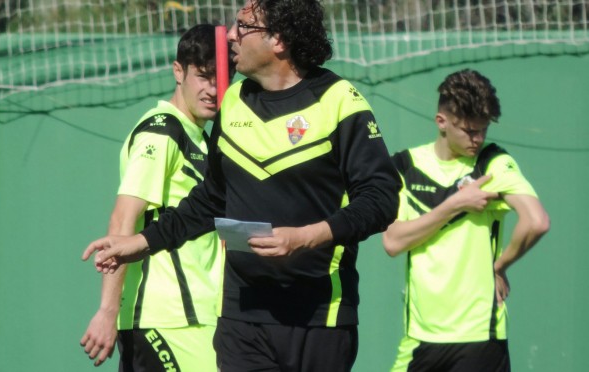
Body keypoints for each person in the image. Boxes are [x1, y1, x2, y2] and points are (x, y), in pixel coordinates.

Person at [83, 1, 402, 371]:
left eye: (243, 26)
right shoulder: (233, 102)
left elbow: (381, 199)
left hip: (322, 316)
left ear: (278, 40)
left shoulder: (340, 101)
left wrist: (304, 238)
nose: (230, 35)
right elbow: (210, 200)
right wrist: (141, 242)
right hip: (242, 317)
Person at [80, 24, 234, 372]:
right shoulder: (161, 131)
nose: (212, 89)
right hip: (162, 319)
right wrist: (107, 311)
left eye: (220, 78)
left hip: (200, 317)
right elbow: (123, 221)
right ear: (178, 71)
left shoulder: (203, 140)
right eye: (203, 76)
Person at [383, 69, 550, 372]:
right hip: (420, 336)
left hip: (480, 336)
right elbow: (393, 242)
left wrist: (499, 267)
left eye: (483, 129)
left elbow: (537, 221)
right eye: (469, 131)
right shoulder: (405, 165)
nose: (478, 138)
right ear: (441, 122)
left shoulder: (493, 163)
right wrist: (455, 204)